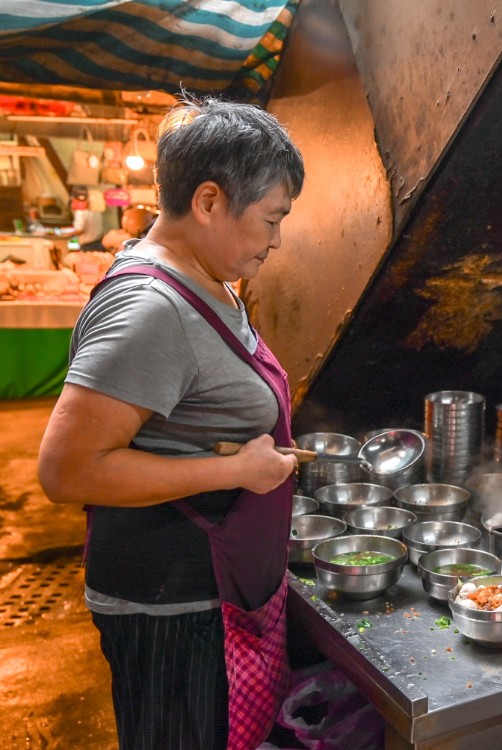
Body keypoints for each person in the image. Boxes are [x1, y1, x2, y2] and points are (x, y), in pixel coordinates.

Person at [38, 94, 304, 749]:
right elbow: (68, 469)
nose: (276, 240)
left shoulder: (206, 279)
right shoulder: (151, 309)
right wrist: (236, 469)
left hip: (207, 600)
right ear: (209, 201)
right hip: (170, 611)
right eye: (271, 219)